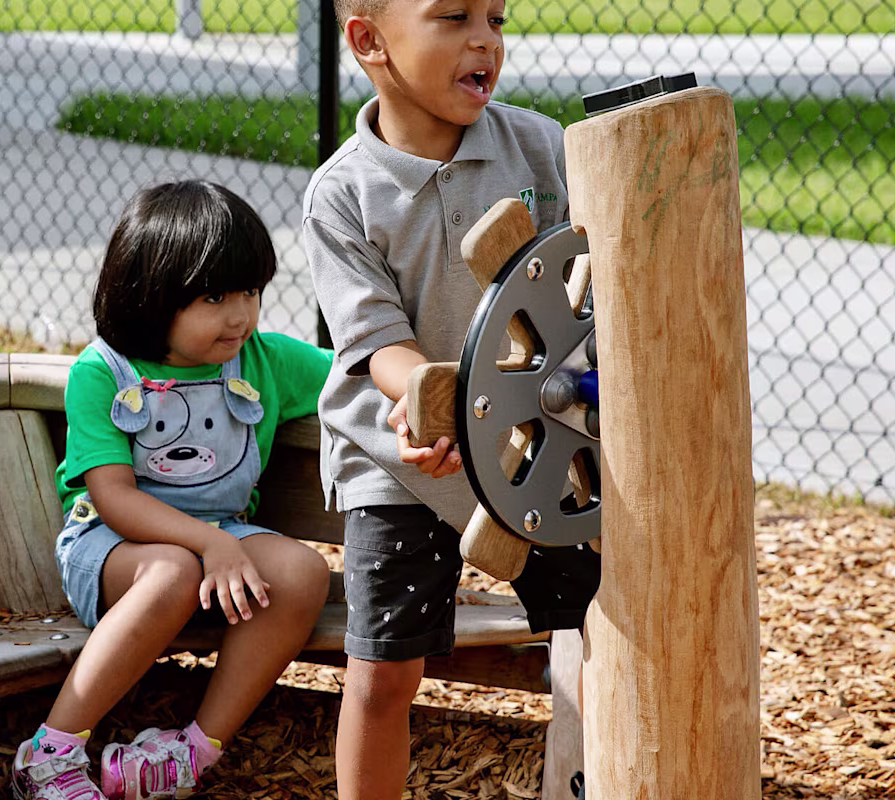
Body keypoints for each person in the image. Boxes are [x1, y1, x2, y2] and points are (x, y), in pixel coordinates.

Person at [304, 1, 603, 797]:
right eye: (453, 16)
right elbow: (380, 346)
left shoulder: (539, 146)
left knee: (607, 627)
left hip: (539, 449)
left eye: (497, 18)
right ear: (368, 42)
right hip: (404, 457)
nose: (486, 39)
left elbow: (596, 285)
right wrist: (434, 404)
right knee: (383, 673)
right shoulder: (343, 195)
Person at [13, 181, 332, 800]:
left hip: (222, 540)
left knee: (301, 572)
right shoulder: (102, 373)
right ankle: (50, 753)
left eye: (250, 292)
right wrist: (207, 543)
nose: (240, 314)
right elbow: (113, 498)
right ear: (152, 295)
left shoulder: (264, 360)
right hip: (111, 549)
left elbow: (353, 372)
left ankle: (189, 753)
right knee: (171, 570)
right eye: (215, 296)